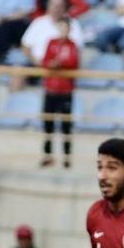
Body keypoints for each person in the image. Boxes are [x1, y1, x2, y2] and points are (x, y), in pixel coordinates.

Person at [41, 15, 79, 167]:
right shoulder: (51, 43)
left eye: (66, 27)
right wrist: (52, 64)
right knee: (48, 123)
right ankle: (47, 155)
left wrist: (59, 63)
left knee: (66, 125)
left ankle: (67, 158)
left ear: (69, 29)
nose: (63, 30)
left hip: (65, 91)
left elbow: (74, 62)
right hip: (51, 89)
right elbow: (45, 61)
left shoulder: (72, 45)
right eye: (61, 27)